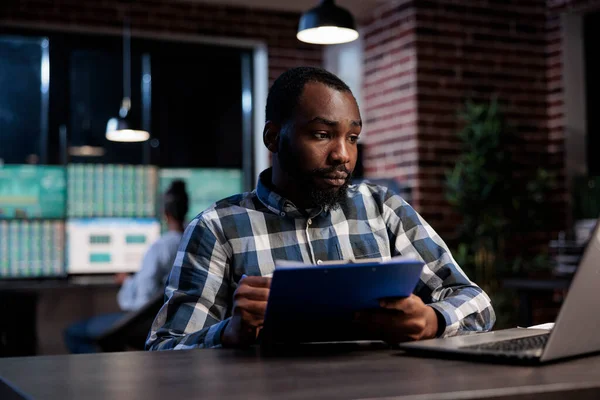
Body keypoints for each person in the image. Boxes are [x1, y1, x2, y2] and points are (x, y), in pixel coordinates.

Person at [146, 67, 495, 351]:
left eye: (353, 138)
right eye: (321, 134)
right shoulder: (217, 229)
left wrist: (432, 321)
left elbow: (475, 301)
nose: (343, 154)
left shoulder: (383, 208)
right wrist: (228, 333)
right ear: (273, 138)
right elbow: (164, 349)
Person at [64, 180, 189, 354]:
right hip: (175, 324)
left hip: (145, 324)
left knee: (73, 333)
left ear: (165, 213)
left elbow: (143, 300)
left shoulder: (160, 247)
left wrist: (127, 282)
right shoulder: (191, 243)